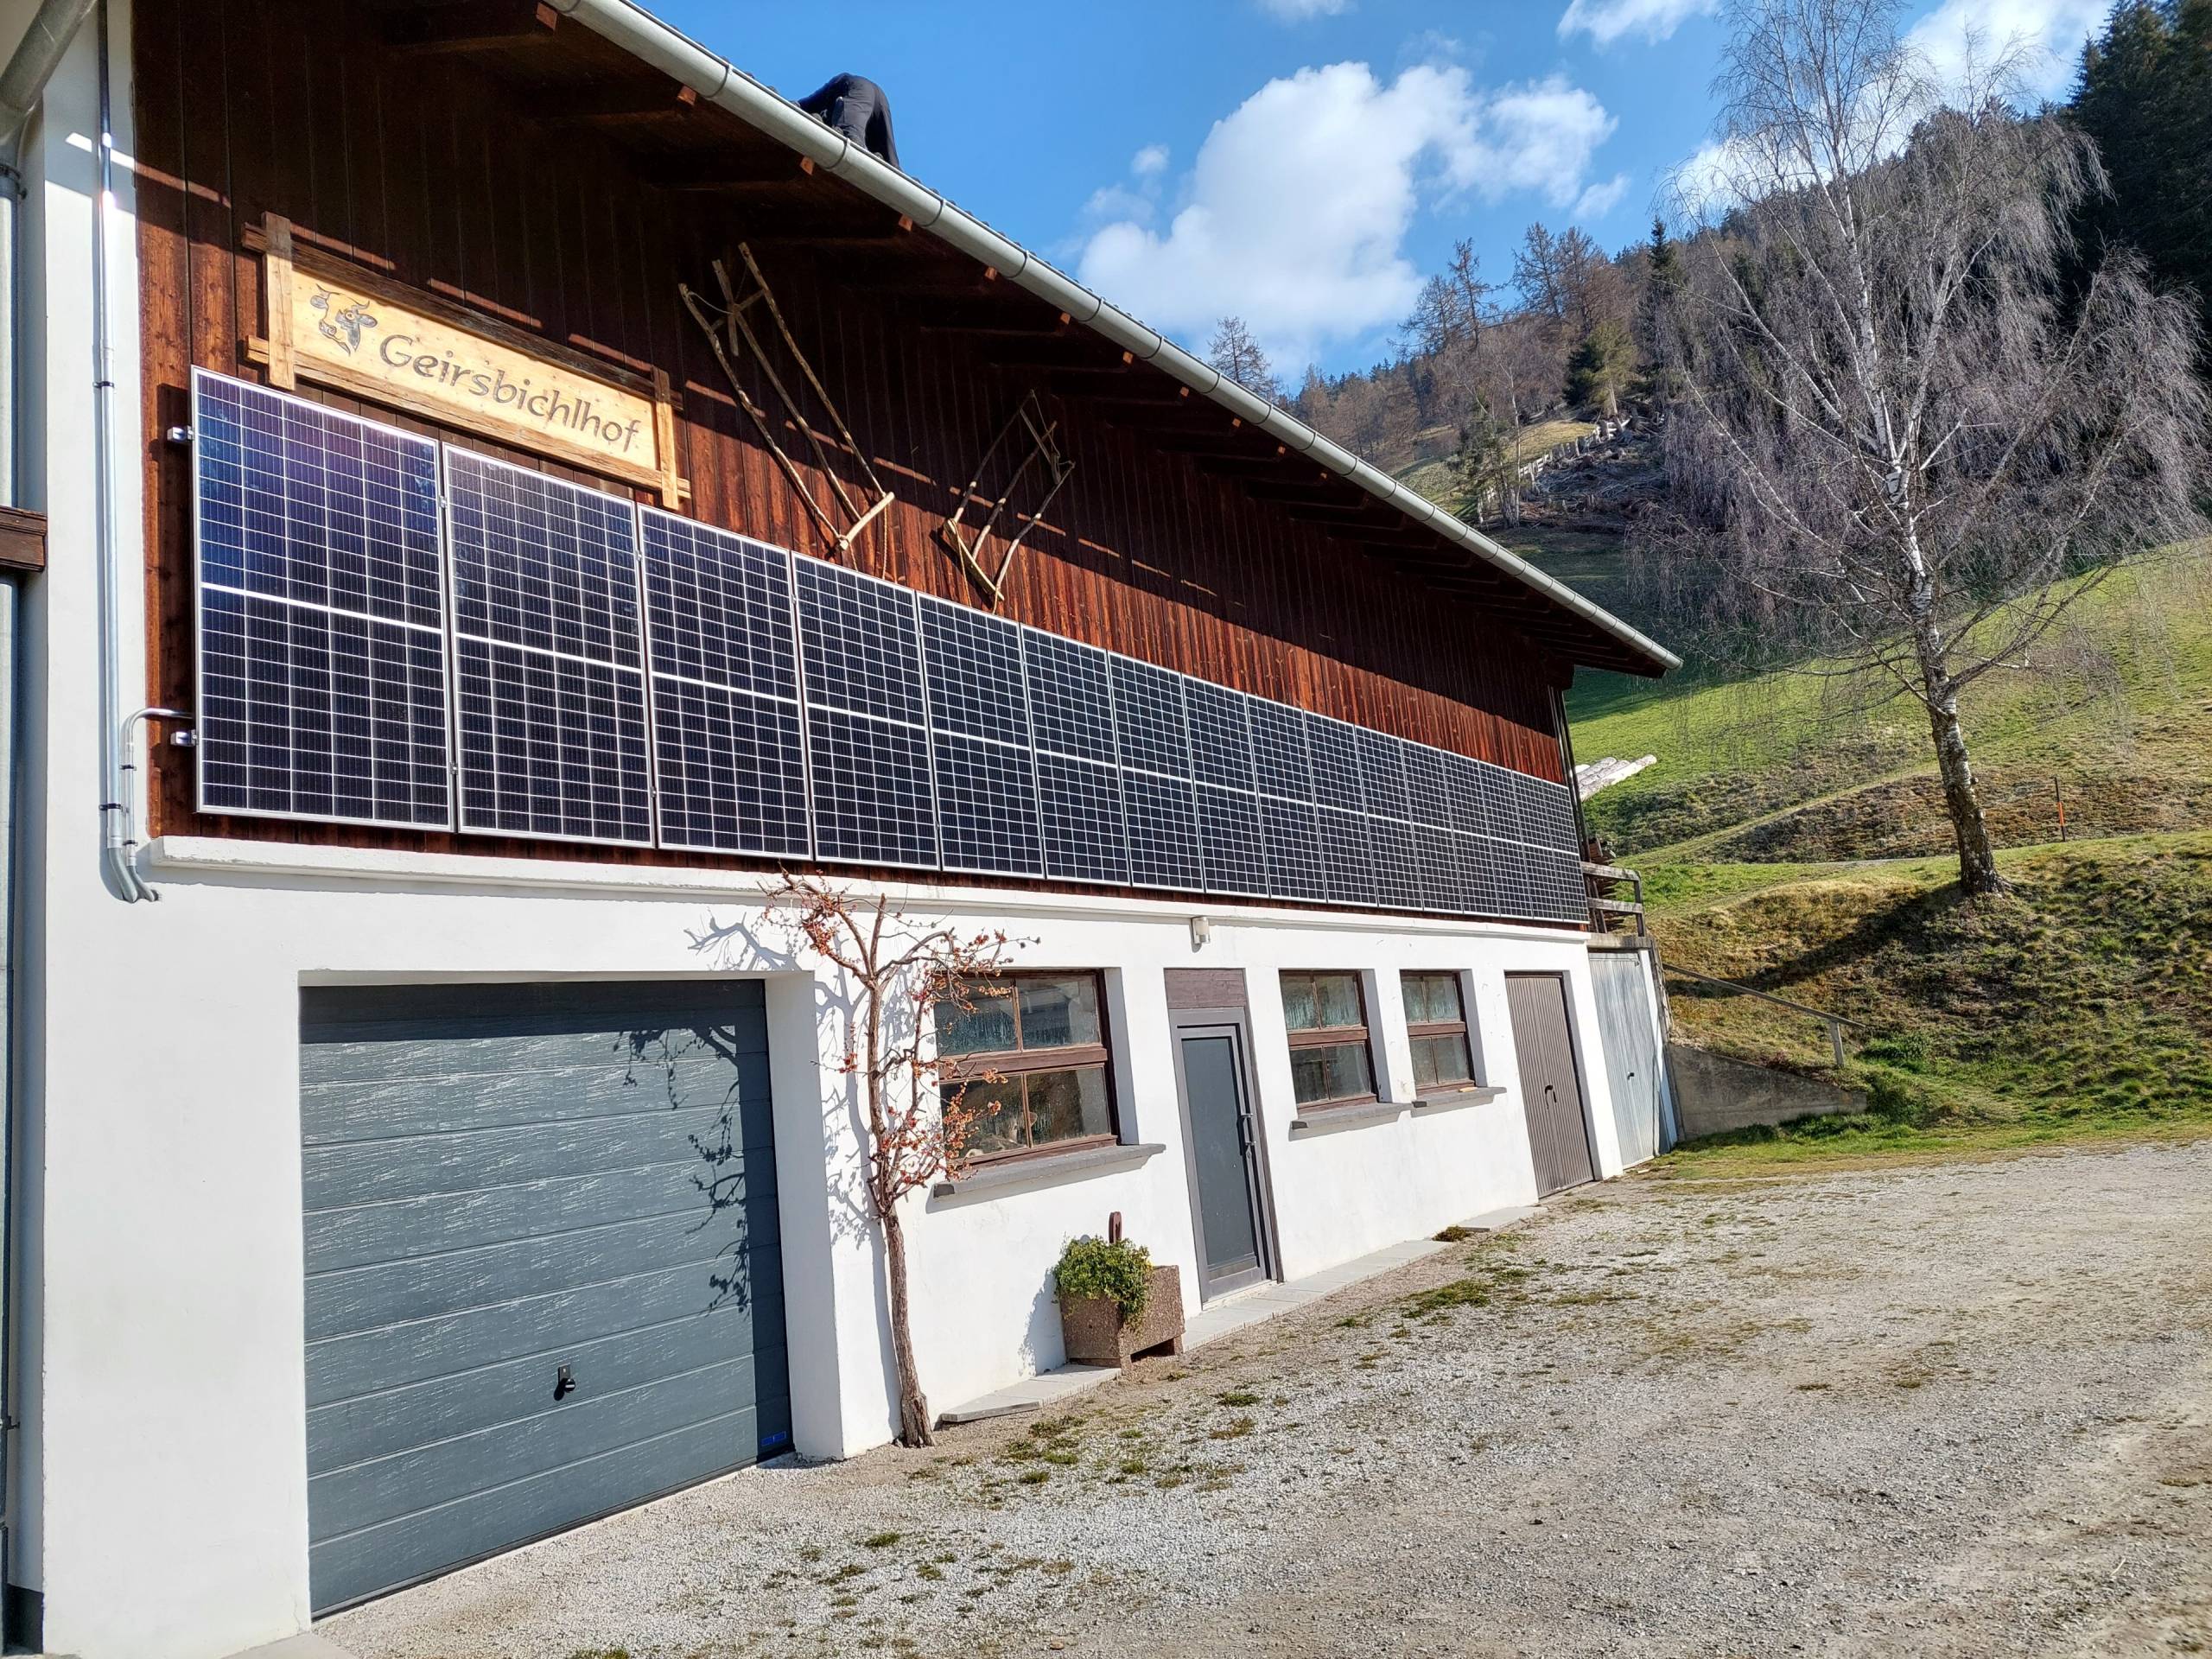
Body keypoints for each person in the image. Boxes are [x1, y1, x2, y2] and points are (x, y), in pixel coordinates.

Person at [797, 73, 900, 170]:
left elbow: (800, 107)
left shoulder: (822, 103)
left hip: (856, 88)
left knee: (850, 140)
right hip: (879, 98)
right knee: (891, 166)